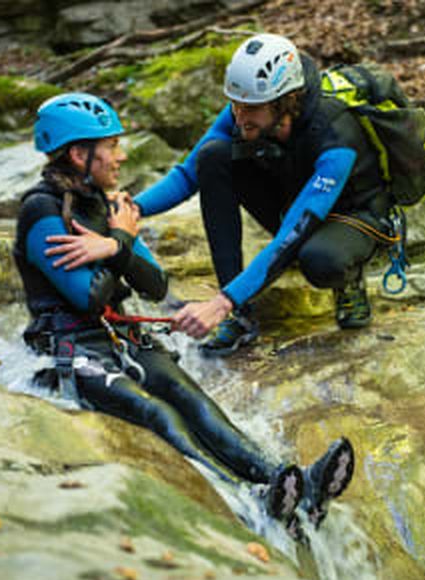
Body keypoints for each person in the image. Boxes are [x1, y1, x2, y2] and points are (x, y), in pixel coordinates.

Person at [14, 92, 354, 536]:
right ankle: (247, 497)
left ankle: (288, 483)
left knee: (192, 399)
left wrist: (117, 243)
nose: (122, 155)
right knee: (158, 414)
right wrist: (121, 243)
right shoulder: (40, 210)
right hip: (71, 348)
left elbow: (155, 285)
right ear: (80, 154)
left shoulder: (107, 203)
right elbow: (90, 301)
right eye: (112, 146)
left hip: (123, 342)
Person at [134, 32, 393, 357]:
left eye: (250, 108)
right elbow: (188, 175)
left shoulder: (335, 132)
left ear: (284, 102)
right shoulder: (248, 111)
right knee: (214, 155)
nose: (239, 117)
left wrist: (221, 301)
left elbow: (291, 235)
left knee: (319, 259)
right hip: (296, 197)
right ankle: (240, 318)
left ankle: (349, 281)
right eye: (235, 105)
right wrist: (131, 208)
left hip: (354, 214)